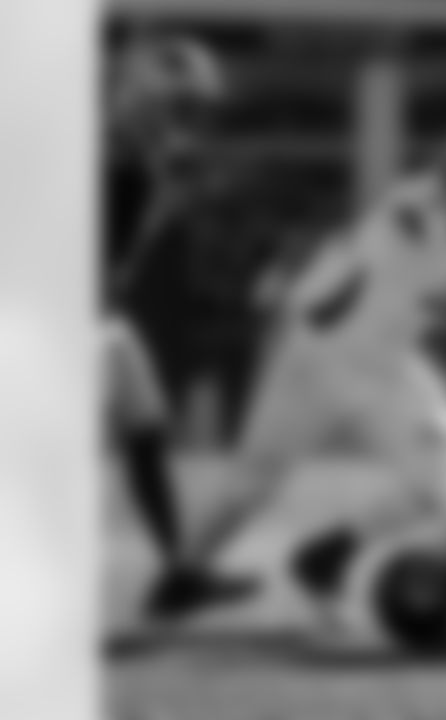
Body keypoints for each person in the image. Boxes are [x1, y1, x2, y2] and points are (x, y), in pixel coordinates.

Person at [166, 125, 446, 621]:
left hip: (383, 363)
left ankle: (328, 555)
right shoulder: (418, 206)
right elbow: (437, 292)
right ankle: (182, 576)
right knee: (254, 478)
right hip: (321, 358)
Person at [103, 31, 251, 619]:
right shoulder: (105, 151)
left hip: (98, 315)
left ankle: (176, 574)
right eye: (182, 105)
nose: (189, 121)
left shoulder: (138, 156)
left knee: (146, 428)